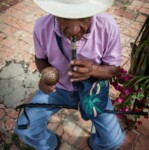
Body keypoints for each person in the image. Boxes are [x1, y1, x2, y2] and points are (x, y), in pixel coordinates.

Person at [15, 0, 125, 149]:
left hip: (92, 90)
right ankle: (50, 144)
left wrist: (93, 70)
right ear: (54, 11)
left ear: (93, 11)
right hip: (58, 90)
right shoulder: (42, 26)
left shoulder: (108, 26)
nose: (73, 30)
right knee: (25, 129)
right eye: (65, 17)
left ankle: (96, 144)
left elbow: (113, 68)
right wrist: (45, 75)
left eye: (83, 17)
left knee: (113, 141)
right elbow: (40, 59)